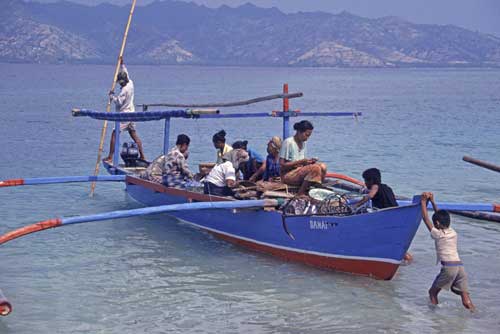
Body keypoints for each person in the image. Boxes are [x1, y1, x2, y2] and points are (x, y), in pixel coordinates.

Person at [420, 192, 475, 312]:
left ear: (437, 224)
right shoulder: (452, 232)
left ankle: (434, 317)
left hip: (449, 268)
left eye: (436, 223)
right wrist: (433, 202)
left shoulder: (438, 234)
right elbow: (440, 215)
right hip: (460, 267)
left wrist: (423, 202)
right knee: (465, 299)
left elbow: (425, 218)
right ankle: (475, 314)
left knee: (432, 292)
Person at [104, 57, 145, 162]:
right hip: (132, 113)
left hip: (125, 115)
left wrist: (111, 96)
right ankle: (143, 156)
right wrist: (122, 65)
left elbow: (118, 102)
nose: (120, 84)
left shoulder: (124, 91)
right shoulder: (130, 82)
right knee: (133, 134)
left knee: (115, 133)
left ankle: (110, 157)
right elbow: (125, 72)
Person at [279, 120, 327, 195]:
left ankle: (318, 187)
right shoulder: (288, 142)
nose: (307, 138)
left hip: (299, 172)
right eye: (306, 135)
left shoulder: (303, 143)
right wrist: (300, 162)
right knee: (315, 168)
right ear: (299, 132)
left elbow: (303, 164)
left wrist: (309, 162)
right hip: (288, 175)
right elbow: (282, 165)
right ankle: (300, 193)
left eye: (309, 136)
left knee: (323, 166)